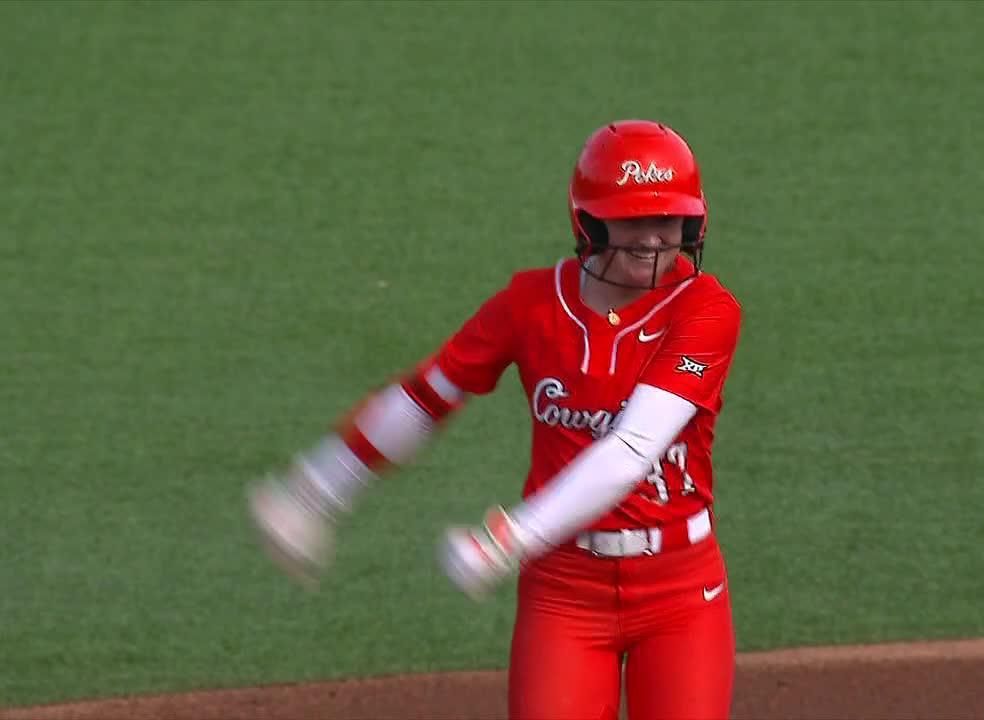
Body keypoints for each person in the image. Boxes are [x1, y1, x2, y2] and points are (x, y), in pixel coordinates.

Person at [248, 119, 743, 720]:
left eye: (668, 219)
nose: (653, 238)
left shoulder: (707, 310)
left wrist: (510, 538)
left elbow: (632, 449)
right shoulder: (530, 304)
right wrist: (317, 488)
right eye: (632, 219)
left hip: (680, 593)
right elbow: (427, 396)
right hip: (565, 591)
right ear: (590, 223)